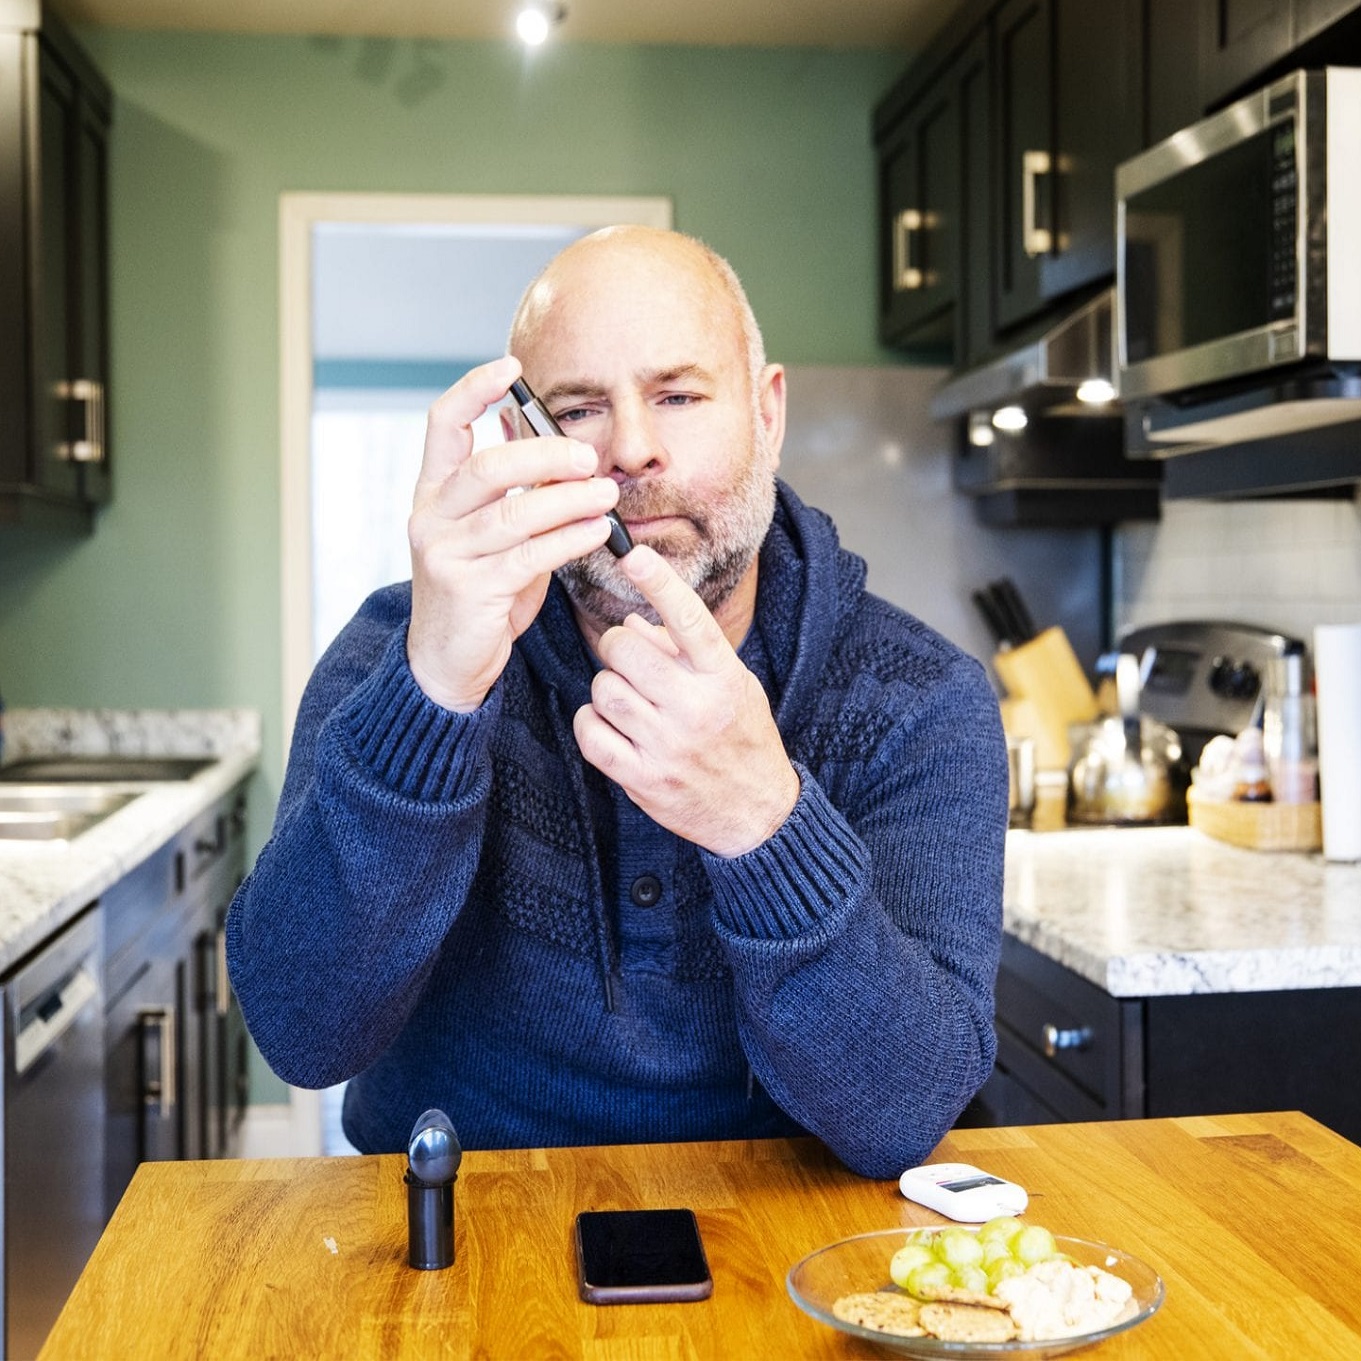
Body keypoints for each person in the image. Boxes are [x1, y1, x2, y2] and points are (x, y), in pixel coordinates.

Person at [226, 225, 1006, 1179]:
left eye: (678, 395)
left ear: (767, 414)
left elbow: (906, 1111)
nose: (632, 450)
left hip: (792, 1246)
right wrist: (431, 696)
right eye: (580, 408)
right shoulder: (399, 651)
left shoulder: (918, 697)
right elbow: (302, 1035)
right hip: (456, 1235)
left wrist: (764, 822)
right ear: (521, 439)